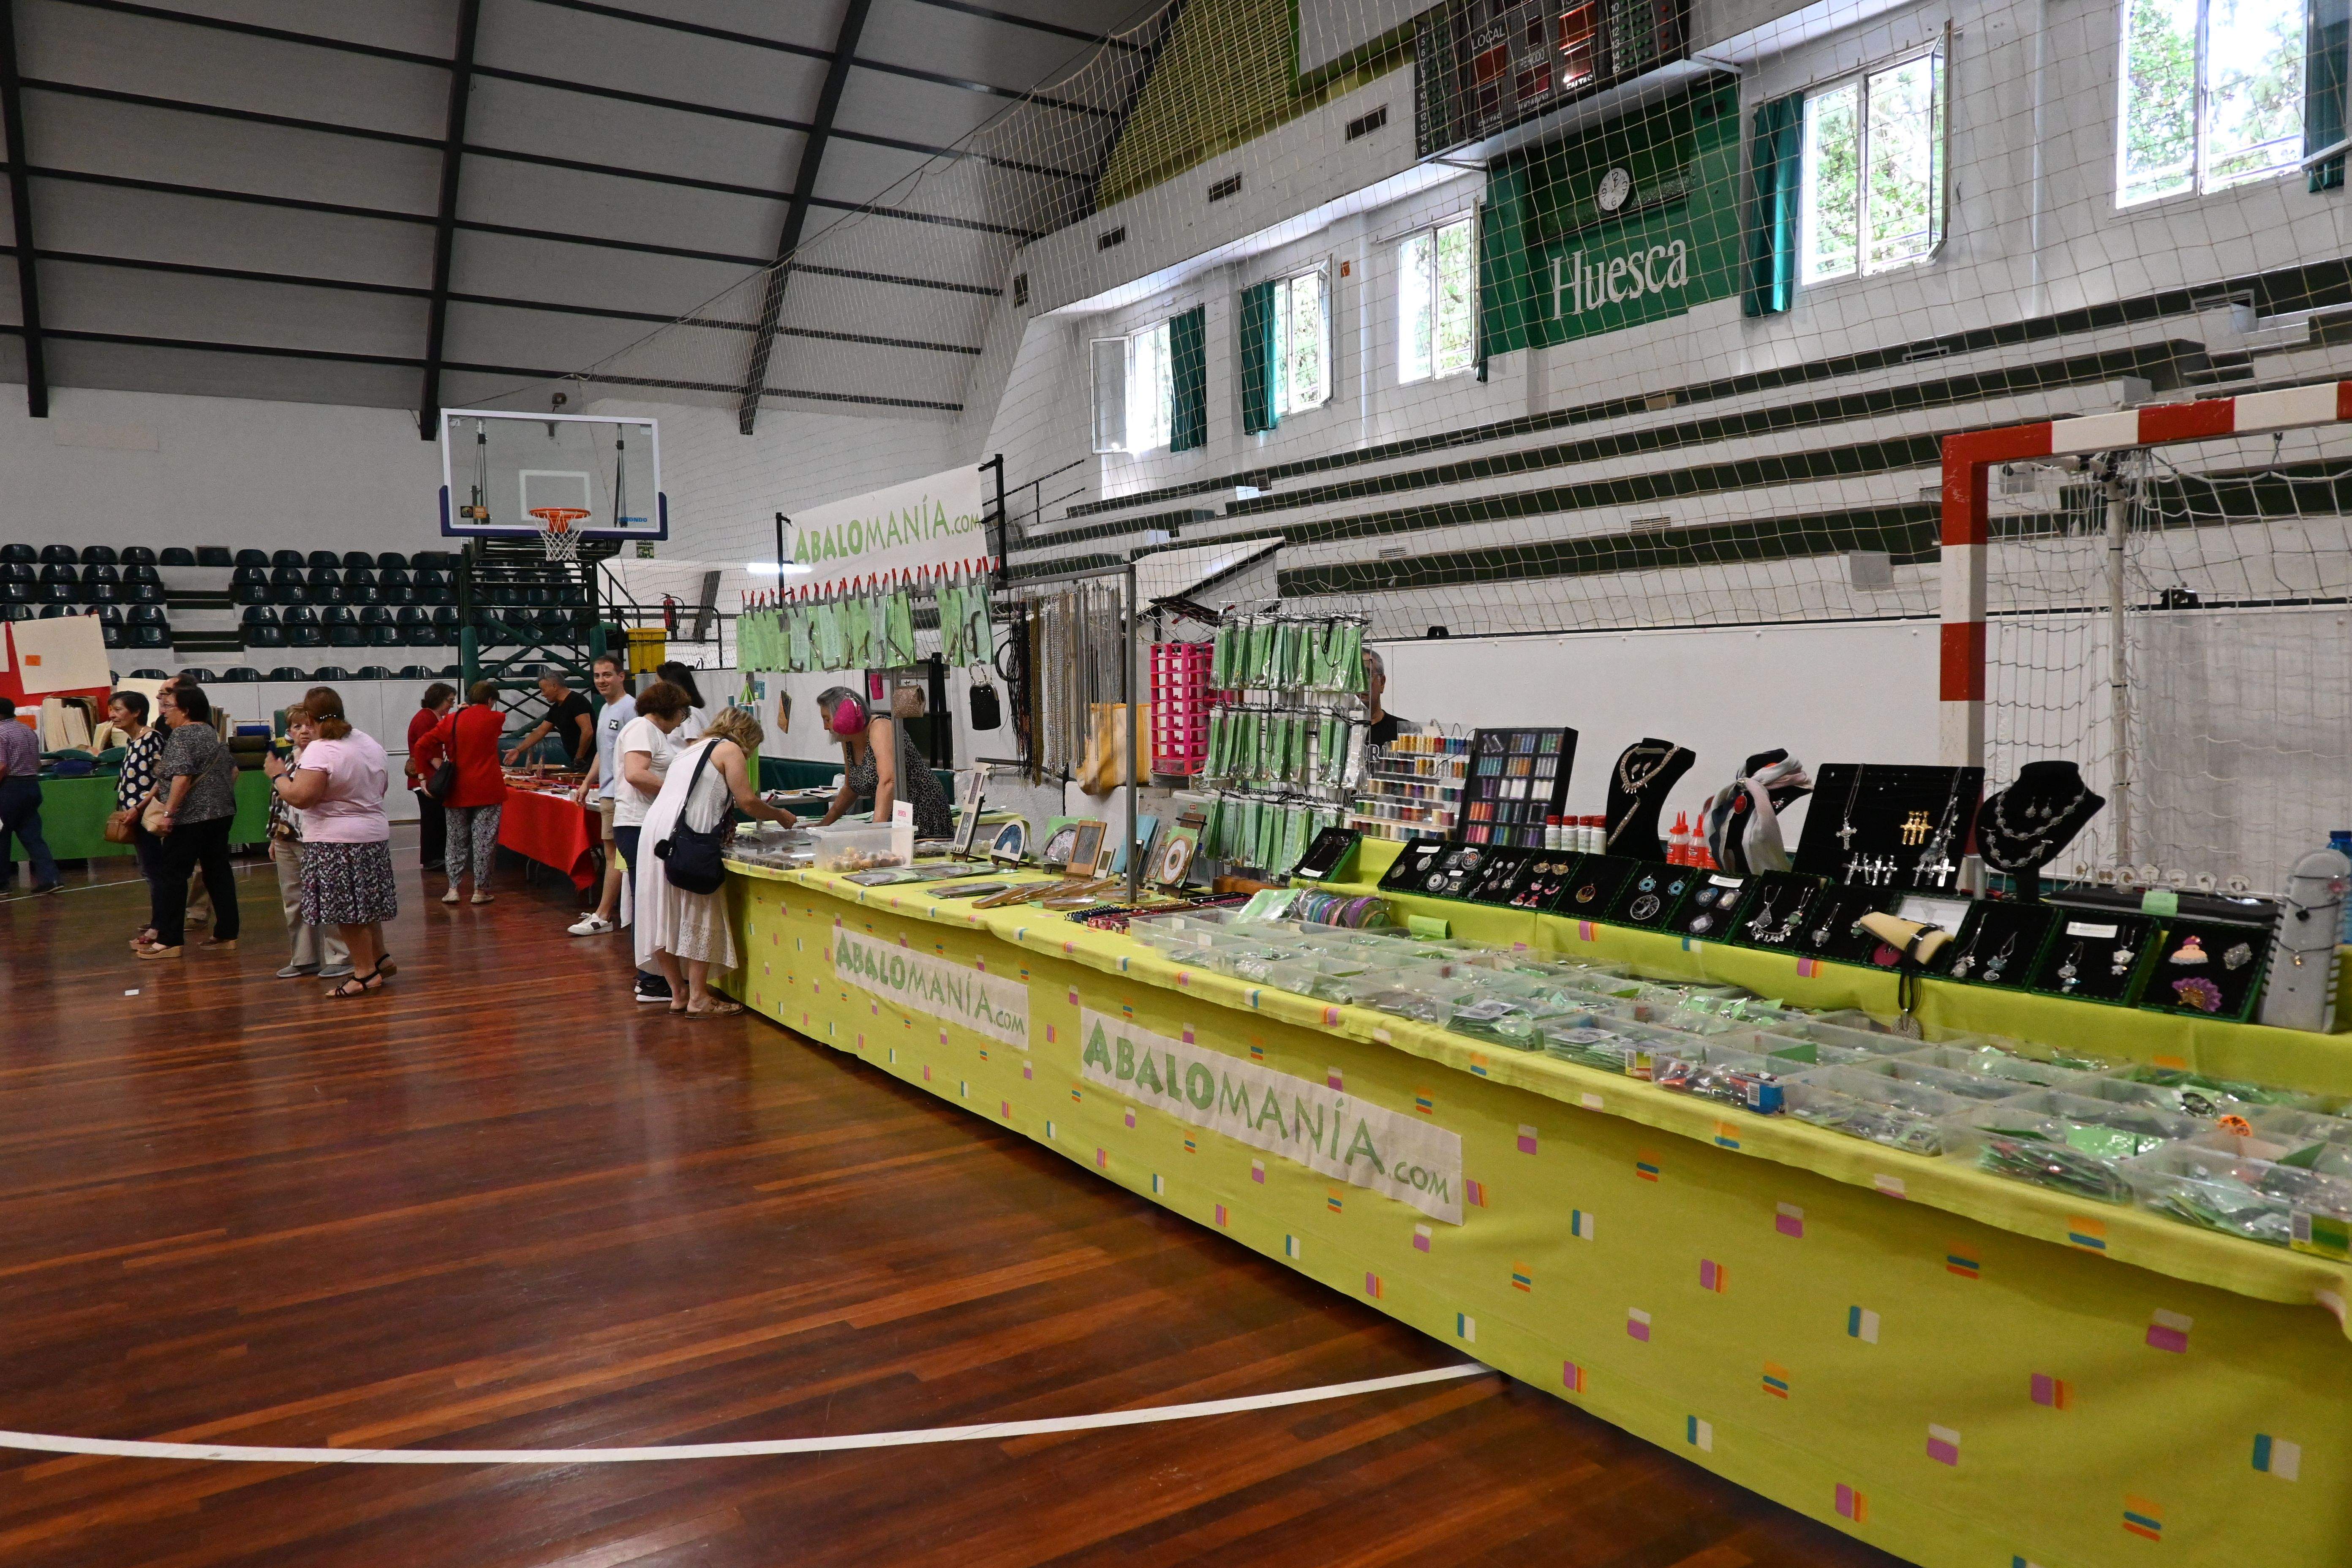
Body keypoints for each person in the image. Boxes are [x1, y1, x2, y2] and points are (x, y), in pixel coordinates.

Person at [634, 706, 795, 1018]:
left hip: (658, 832)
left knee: (661, 911)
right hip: (690, 835)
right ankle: (698, 997)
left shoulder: (689, 750)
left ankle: (678, 994)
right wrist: (780, 815)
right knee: (699, 907)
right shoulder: (729, 749)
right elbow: (747, 801)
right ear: (746, 737)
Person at [266, 686, 397, 997]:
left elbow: (302, 797)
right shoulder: (367, 741)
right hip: (373, 835)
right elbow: (382, 786)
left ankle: (365, 974)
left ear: (310, 718)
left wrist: (278, 776)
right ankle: (380, 957)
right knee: (366, 905)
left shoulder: (321, 750)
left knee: (346, 912)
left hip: (336, 841)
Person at [136, 683, 241, 959]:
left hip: (190, 819)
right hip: (221, 815)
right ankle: (227, 934)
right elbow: (234, 772)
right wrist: (215, 798)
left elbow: (181, 777)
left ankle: (169, 941)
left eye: (168, 706)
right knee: (218, 873)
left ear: (185, 710)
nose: (163, 712)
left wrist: (169, 813)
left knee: (172, 876)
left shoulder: (182, 735)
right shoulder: (210, 733)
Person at [608, 679, 691, 1003]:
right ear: (668, 709)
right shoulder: (642, 729)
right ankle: (651, 980)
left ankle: (656, 977)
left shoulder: (653, 733)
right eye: (681, 712)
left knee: (649, 900)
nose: (682, 720)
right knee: (647, 901)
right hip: (638, 824)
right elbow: (636, 774)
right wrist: (679, 794)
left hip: (645, 823)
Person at [264, 703, 353, 981]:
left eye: (308, 725)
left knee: (328, 896)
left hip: (318, 838)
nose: (303, 731)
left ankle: (340, 956)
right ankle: (304, 958)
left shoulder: (324, 757)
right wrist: (274, 835)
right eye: (296, 727)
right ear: (289, 732)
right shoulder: (288, 759)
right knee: (294, 899)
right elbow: (278, 801)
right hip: (287, 836)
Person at [814, 686, 953, 839]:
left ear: (845, 714)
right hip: (892, 814)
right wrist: (822, 825)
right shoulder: (847, 738)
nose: (826, 727)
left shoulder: (880, 727)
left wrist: (875, 832)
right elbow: (850, 788)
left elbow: (888, 781)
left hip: (922, 810)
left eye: (827, 719)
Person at [414, 681, 507, 905]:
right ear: (491, 700)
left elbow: (421, 746)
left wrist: (422, 776)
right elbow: (490, 727)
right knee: (484, 842)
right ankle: (480, 891)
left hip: (457, 790)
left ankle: (453, 889)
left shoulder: (451, 720)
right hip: (488, 789)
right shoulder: (497, 718)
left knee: (455, 841)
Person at [567, 653, 637, 936]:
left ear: (622, 676)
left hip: (624, 795)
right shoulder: (605, 709)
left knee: (616, 856)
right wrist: (587, 783)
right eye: (597, 676)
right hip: (607, 792)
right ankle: (607, 912)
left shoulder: (631, 709)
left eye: (607, 675)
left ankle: (604, 915)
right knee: (613, 855)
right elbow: (603, 752)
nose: (601, 681)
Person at [109, 690, 166, 944]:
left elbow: (162, 778)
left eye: (118, 709)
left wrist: (139, 807)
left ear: (136, 713)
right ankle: (159, 920)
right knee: (149, 870)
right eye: (111, 710)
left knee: (155, 871)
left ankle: (161, 925)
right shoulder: (132, 741)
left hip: (146, 815)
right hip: (135, 815)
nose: (112, 715)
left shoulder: (152, 738)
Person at [0, 694, 60, 896]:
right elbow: (37, 763)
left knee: (1, 836)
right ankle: (51, 879)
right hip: (31, 786)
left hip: (9, 789)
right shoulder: (26, 730)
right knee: (33, 837)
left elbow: (2, 766)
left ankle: (2, 884)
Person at [405, 683, 455, 879]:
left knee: (436, 818)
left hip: (430, 777)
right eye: (449, 701)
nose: (451, 705)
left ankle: (437, 856)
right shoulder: (425, 718)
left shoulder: (431, 717)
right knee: (432, 819)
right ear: (439, 699)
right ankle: (432, 859)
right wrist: (446, 771)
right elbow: (428, 751)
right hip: (426, 778)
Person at [504, 672, 593, 770]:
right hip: (578, 761)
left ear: (555, 687)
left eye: (543, 690)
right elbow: (540, 732)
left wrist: (579, 757)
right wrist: (518, 750)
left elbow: (588, 731)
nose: (543, 694)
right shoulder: (556, 709)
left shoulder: (577, 701)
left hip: (590, 761)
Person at [1361, 648, 1409, 747]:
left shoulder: (1405, 733)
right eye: (1353, 677)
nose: (1360, 684)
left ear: (1382, 683)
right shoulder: (1339, 732)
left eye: (1367, 675)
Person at [656, 662, 710, 741]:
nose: (655, 688)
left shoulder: (689, 713)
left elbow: (694, 744)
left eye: (658, 683)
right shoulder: (678, 712)